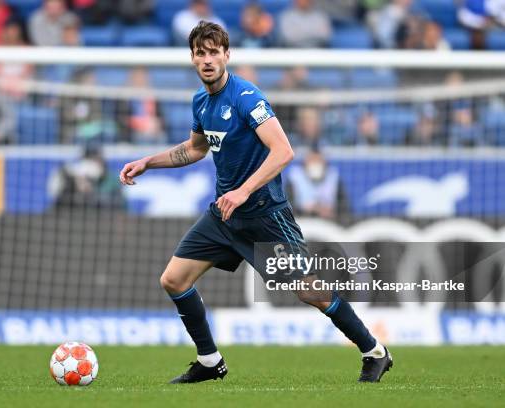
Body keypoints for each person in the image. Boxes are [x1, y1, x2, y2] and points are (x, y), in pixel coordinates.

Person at [119, 21, 392, 384]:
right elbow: (196, 149)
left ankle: (375, 351)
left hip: (264, 215)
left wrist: (244, 190)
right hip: (225, 215)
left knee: (309, 291)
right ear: (192, 59)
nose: (207, 60)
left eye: (214, 52)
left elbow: (283, 151)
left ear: (226, 55)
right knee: (173, 279)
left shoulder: (247, 97)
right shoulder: (201, 101)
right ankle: (210, 361)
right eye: (200, 53)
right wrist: (148, 162)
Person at [286, 150, 347, 219]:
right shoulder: (295, 178)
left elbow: (343, 206)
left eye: (318, 160)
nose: (315, 164)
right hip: (302, 220)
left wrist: (331, 211)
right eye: (312, 160)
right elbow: (288, 205)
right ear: (305, 162)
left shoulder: (333, 178)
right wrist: (305, 210)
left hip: (329, 221)